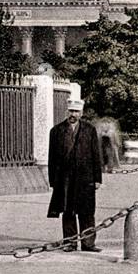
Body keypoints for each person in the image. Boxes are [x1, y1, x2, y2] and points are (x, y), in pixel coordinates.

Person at [47, 99, 103, 252]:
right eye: (71, 111)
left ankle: (88, 243)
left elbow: (96, 155)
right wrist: (53, 181)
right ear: (67, 112)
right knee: (68, 211)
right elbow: (51, 158)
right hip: (65, 179)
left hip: (86, 178)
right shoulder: (56, 131)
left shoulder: (89, 130)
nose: (73, 114)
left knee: (87, 212)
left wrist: (97, 178)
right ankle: (70, 243)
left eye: (76, 112)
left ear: (81, 113)